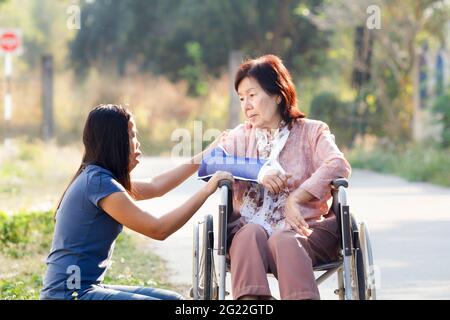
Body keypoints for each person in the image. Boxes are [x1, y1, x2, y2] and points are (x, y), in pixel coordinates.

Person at [40, 104, 232, 300]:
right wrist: (207, 190)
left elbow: (157, 185)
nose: (137, 143)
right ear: (114, 141)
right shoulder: (98, 183)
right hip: (69, 293)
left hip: (85, 287)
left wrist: (207, 153)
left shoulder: (99, 178)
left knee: (174, 299)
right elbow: (158, 229)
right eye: (131, 136)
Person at [218, 55, 351, 300]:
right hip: (249, 232)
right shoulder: (239, 137)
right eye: (241, 98)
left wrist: (296, 198)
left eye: (252, 95)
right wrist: (258, 171)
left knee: (284, 240)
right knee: (249, 234)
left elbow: (338, 163)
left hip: (306, 231)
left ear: (278, 95)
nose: (246, 105)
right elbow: (211, 162)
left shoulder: (312, 131)